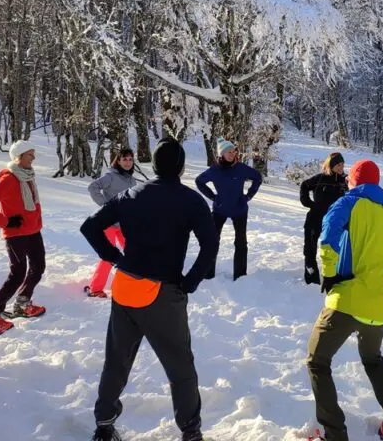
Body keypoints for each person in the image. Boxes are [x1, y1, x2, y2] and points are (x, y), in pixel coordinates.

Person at [81, 137, 218, 441]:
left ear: (153, 165)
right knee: (180, 368)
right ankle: (191, 434)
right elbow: (210, 245)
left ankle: (104, 426)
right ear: (181, 166)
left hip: (126, 287)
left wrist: (116, 259)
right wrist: (190, 281)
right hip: (162, 293)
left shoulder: (131, 194)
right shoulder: (191, 200)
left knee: (116, 361)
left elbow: (89, 227)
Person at [307, 159, 383, 441]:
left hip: (346, 301)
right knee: (373, 360)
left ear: (353, 181)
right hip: (377, 309)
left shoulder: (347, 204)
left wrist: (329, 273)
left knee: (317, 361)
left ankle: (333, 433)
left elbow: (327, 238)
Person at [0, 140, 47, 335]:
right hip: (16, 234)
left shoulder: (27, 175)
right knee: (17, 273)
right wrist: (5, 222)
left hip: (33, 230)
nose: (33, 158)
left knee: (39, 267)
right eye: (30, 154)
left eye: (33, 154)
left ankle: (22, 303)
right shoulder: (9, 179)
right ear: (19, 157)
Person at [195, 138, 262, 280]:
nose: (232, 154)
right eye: (228, 152)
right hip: (220, 209)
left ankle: (240, 275)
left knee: (241, 242)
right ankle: (208, 274)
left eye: (233, 151)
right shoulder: (215, 170)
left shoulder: (241, 168)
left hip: (240, 209)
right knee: (212, 240)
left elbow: (258, 177)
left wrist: (248, 196)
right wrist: (213, 197)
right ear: (221, 154)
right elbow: (199, 181)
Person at [84, 147, 145, 298]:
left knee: (133, 253)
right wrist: (107, 208)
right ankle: (95, 289)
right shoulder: (111, 176)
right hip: (109, 225)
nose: (128, 162)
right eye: (124, 159)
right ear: (118, 160)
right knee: (108, 257)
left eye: (130, 159)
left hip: (125, 225)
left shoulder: (131, 179)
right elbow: (92, 187)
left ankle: (136, 284)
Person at [299, 152, 349, 285]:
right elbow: (304, 185)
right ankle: (311, 277)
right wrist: (308, 203)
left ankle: (336, 274)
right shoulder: (320, 178)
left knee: (337, 247)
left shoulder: (344, 181)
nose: (341, 167)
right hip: (316, 217)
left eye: (342, 164)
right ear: (331, 165)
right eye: (338, 164)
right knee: (310, 247)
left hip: (335, 220)